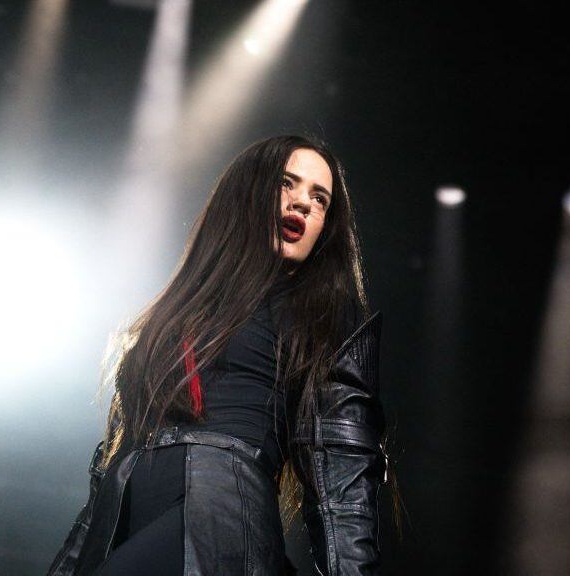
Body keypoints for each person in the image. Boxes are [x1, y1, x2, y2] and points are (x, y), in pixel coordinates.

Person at [47, 135, 389, 576]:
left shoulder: (317, 323)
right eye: (287, 183)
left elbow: (343, 486)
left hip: (222, 519)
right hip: (128, 515)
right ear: (248, 191)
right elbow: (101, 488)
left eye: (319, 198)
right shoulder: (168, 319)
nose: (303, 203)